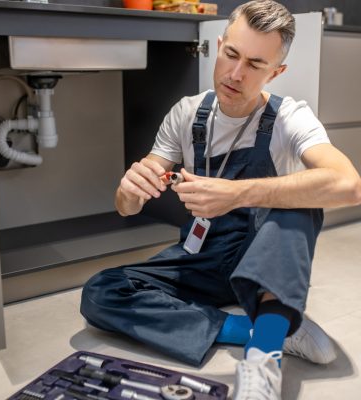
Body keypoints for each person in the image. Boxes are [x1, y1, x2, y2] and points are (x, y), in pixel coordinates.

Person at [81, 1, 361, 398]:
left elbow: (348, 184)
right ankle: (267, 326)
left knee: (302, 198)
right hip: (200, 254)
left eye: (254, 64)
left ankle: (263, 357)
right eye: (231, 55)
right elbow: (127, 206)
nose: (235, 74)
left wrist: (237, 193)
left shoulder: (291, 118)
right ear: (218, 45)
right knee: (101, 290)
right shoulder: (186, 115)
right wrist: (129, 190)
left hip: (261, 261)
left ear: (275, 72)